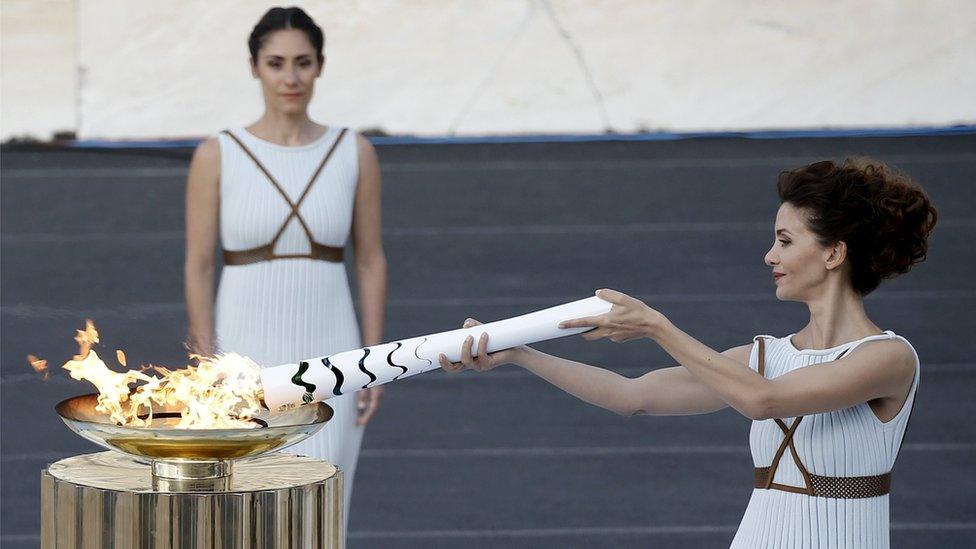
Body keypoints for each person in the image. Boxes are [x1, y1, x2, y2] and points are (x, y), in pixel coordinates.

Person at [440, 159, 937, 547]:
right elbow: (631, 395)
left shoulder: (889, 358)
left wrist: (657, 326)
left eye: (785, 240)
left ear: (834, 253)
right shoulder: (763, 358)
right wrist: (522, 355)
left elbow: (764, 402)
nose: (770, 256)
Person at [184, 6, 387, 529]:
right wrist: (207, 363)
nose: (290, 77)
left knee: (324, 503)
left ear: (320, 66)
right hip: (243, 347)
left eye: (303, 62)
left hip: (334, 347)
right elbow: (199, 265)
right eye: (276, 63)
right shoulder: (218, 153)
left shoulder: (353, 151)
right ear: (255, 67)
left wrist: (374, 360)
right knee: (241, 507)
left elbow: (369, 259)